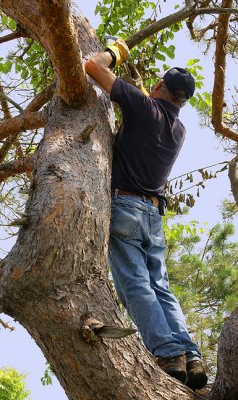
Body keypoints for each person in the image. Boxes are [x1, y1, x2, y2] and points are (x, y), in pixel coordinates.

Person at [85, 39, 207, 390]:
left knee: (136, 285)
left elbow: (91, 67)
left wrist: (114, 52)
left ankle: (168, 352)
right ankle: (191, 355)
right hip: (154, 215)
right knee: (161, 288)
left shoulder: (143, 106)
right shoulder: (178, 129)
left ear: (158, 88)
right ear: (182, 100)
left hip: (125, 207)